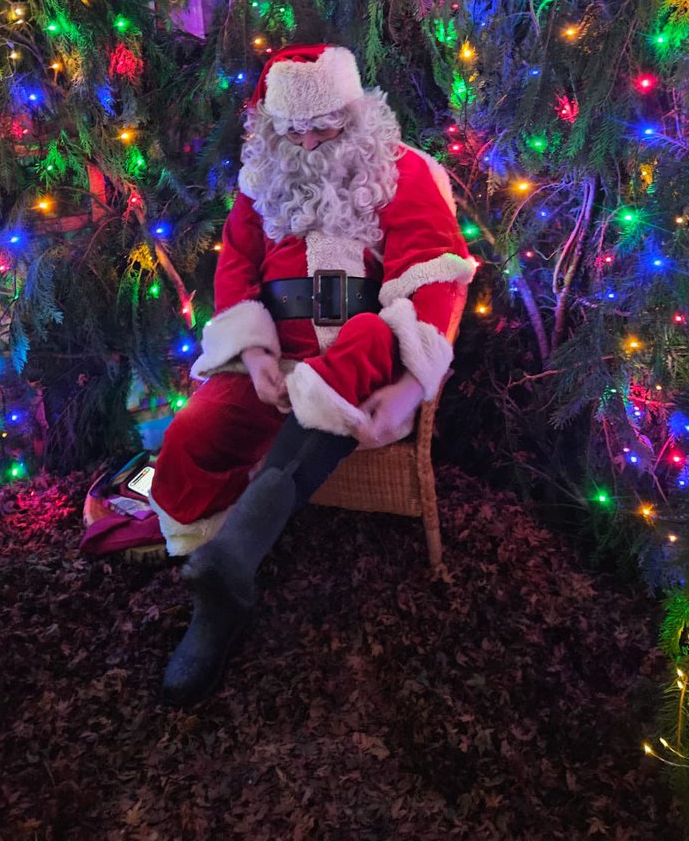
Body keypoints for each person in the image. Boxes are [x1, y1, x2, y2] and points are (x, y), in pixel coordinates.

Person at [149, 44, 476, 706]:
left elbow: (434, 276)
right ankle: (215, 565)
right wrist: (256, 355)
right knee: (192, 432)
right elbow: (236, 273)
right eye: (291, 130)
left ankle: (225, 582)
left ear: (352, 114)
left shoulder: (402, 169)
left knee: (360, 344)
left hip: (363, 349)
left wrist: (412, 386)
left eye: (322, 128)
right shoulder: (260, 177)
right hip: (275, 357)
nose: (305, 142)